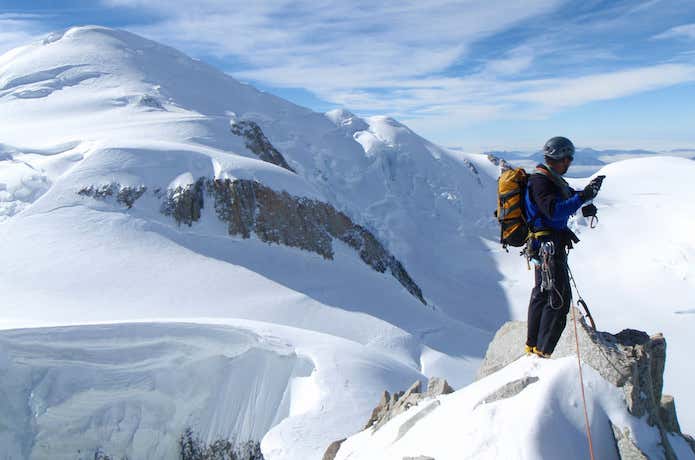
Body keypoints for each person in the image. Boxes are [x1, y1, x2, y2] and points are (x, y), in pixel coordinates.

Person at [524, 136, 604, 358]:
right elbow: (553, 210)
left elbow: (562, 202)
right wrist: (582, 198)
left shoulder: (550, 178)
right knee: (557, 298)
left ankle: (533, 347)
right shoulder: (542, 181)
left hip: (545, 244)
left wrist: (585, 198)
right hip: (547, 245)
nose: (569, 162)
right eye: (567, 158)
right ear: (557, 157)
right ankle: (543, 352)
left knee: (543, 292)